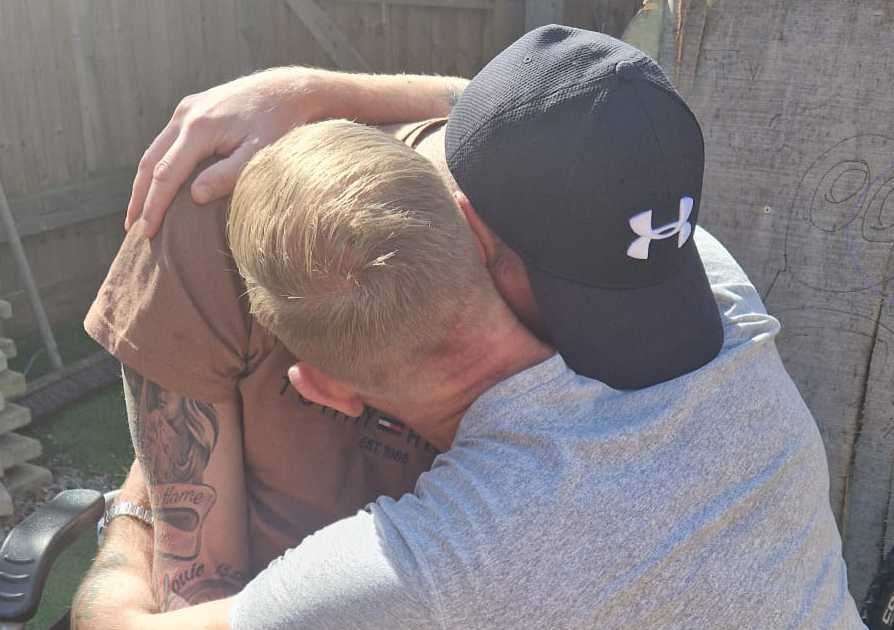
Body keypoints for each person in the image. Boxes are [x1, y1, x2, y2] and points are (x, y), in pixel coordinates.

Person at [104, 27, 860, 629]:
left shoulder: (451, 556)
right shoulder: (725, 299)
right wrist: (306, 93)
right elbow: (503, 111)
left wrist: (134, 507)